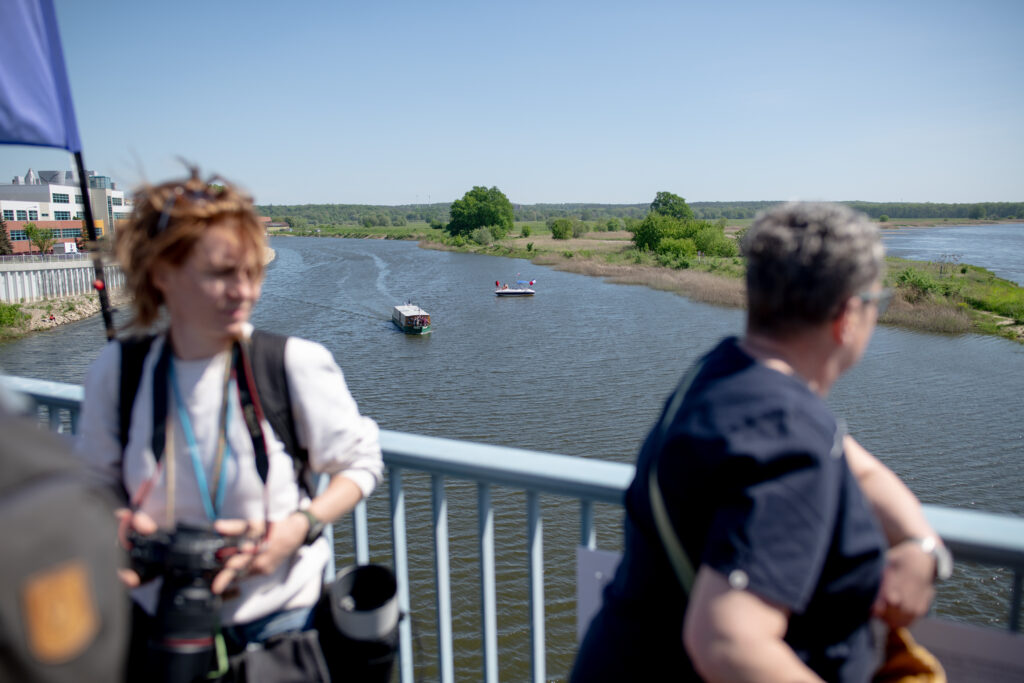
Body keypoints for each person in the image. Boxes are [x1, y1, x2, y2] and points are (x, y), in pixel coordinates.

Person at [571, 202, 946, 682]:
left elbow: (857, 466)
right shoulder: (785, 431)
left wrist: (921, 546)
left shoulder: (726, 375)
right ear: (849, 315)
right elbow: (727, 642)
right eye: (878, 302)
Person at [73, 167, 384, 677]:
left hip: (280, 624)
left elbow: (362, 462)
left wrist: (297, 528)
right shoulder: (121, 369)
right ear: (162, 273)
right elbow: (90, 483)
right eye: (221, 273)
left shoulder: (291, 365)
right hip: (156, 621)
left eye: (252, 271)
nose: (244, 291)